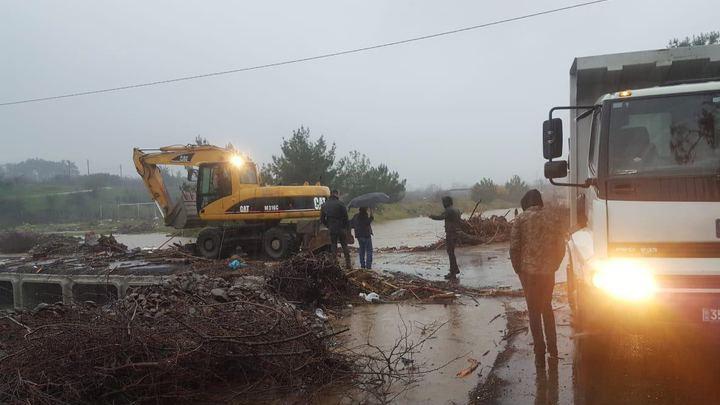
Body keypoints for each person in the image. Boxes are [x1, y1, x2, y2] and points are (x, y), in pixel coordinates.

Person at [510, 189, 565, 368]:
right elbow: (561, 246)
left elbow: (514, 248)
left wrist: (518, 269)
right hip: (548, 272)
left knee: (533, 311)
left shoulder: (520, 219)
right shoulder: (553, 217)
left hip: (529, 273)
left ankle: (539, 352)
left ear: (526, 203)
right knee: (547, 307)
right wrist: (555, 264)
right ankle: (553, 349)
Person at [429, 196, 462, 281]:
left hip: (451, 234)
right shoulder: (457, 210)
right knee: (451, 253)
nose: (443, 204)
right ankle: (454, 270)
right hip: (457, 233)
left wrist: (431, 216)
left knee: (450, 253)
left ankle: (453, 272)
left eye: (444, 202)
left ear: (447, 202)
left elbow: (440, 217)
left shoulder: (449, 210)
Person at [320, 189, 352, 269]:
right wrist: (346, 228)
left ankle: (335, 264)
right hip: (341, 228)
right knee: (344, 245)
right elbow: (346, 217)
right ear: (336, 194)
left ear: (331, 194)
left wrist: (328, 225)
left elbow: (322, 219)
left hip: (332, 228)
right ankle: (348, 264)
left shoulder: (324, 205)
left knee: (333, 245)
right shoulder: (341, 204)